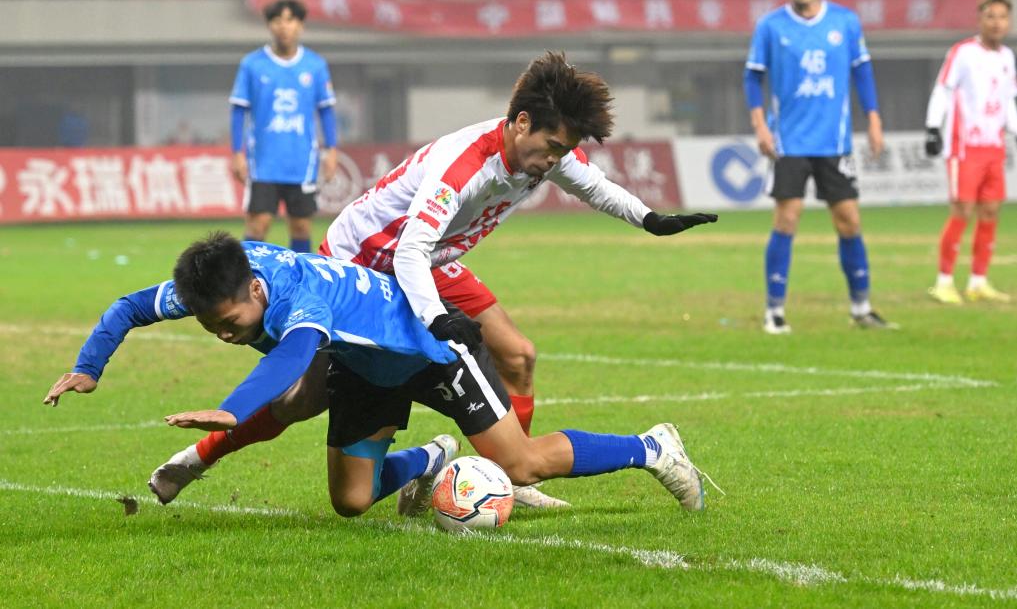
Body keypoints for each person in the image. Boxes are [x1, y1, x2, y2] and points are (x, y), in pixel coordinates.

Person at [146, 51, 718, 510]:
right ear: (521, 122)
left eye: (562, 151)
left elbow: (595, 186)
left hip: (431, 263)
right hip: (364, 264)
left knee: (518, 355)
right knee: (301, 398)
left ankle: (509, 476)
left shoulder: (545, 150)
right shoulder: (463, 166)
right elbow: (408, 251)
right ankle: (197, 458)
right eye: (551, 148)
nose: (556, 161)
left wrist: (650, 219)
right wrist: (437, 318)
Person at [43, 233, 709, 518]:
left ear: (255, 288)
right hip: (367, 369)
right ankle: (430, 460)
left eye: (230, 321)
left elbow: (294, 357)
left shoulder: (299, 298)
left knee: (523, 464)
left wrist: (232, 408)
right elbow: (128, 306)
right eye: (209, 324)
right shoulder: (214, 285)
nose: (223, 333)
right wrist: (87, 367)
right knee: (351, 503)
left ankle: (652, 446)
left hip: (431, 351)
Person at [743, 0, 895, 335]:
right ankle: (774, 311)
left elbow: (862, 72)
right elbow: (752, 77)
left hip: (835, 142)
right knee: (787, 219)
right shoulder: (771, 26)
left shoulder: (845, 22)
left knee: (849, 221)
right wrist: (760, 125)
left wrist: (874, 119)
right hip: (788, 142)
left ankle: (861, 308)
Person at [925, 0, 1016, 305]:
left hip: (994, 146)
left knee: (991, 211)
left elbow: (1008, 101)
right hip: (964, 147)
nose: (997, 23)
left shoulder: (1007, 57)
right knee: (962, 210)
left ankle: (978, 281)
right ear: (979, 20)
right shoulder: (963, 53)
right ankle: (944, 282)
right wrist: (932, 127)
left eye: (1002, 17)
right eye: (991, 16)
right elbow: (943, 89)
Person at [229, 0, 339, 253]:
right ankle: (247, 276)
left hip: (302, 161)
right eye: (277, 21)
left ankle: (298, 279)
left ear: (300, 25)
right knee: (258, 224)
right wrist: (237, 152)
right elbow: (238, 109)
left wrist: (332, 150)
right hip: (263, 162)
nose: (284, 26)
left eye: (290, 20)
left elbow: (326, 110)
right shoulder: (252, 64)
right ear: (269, 26)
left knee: (301, 227)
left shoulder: (315, 65)